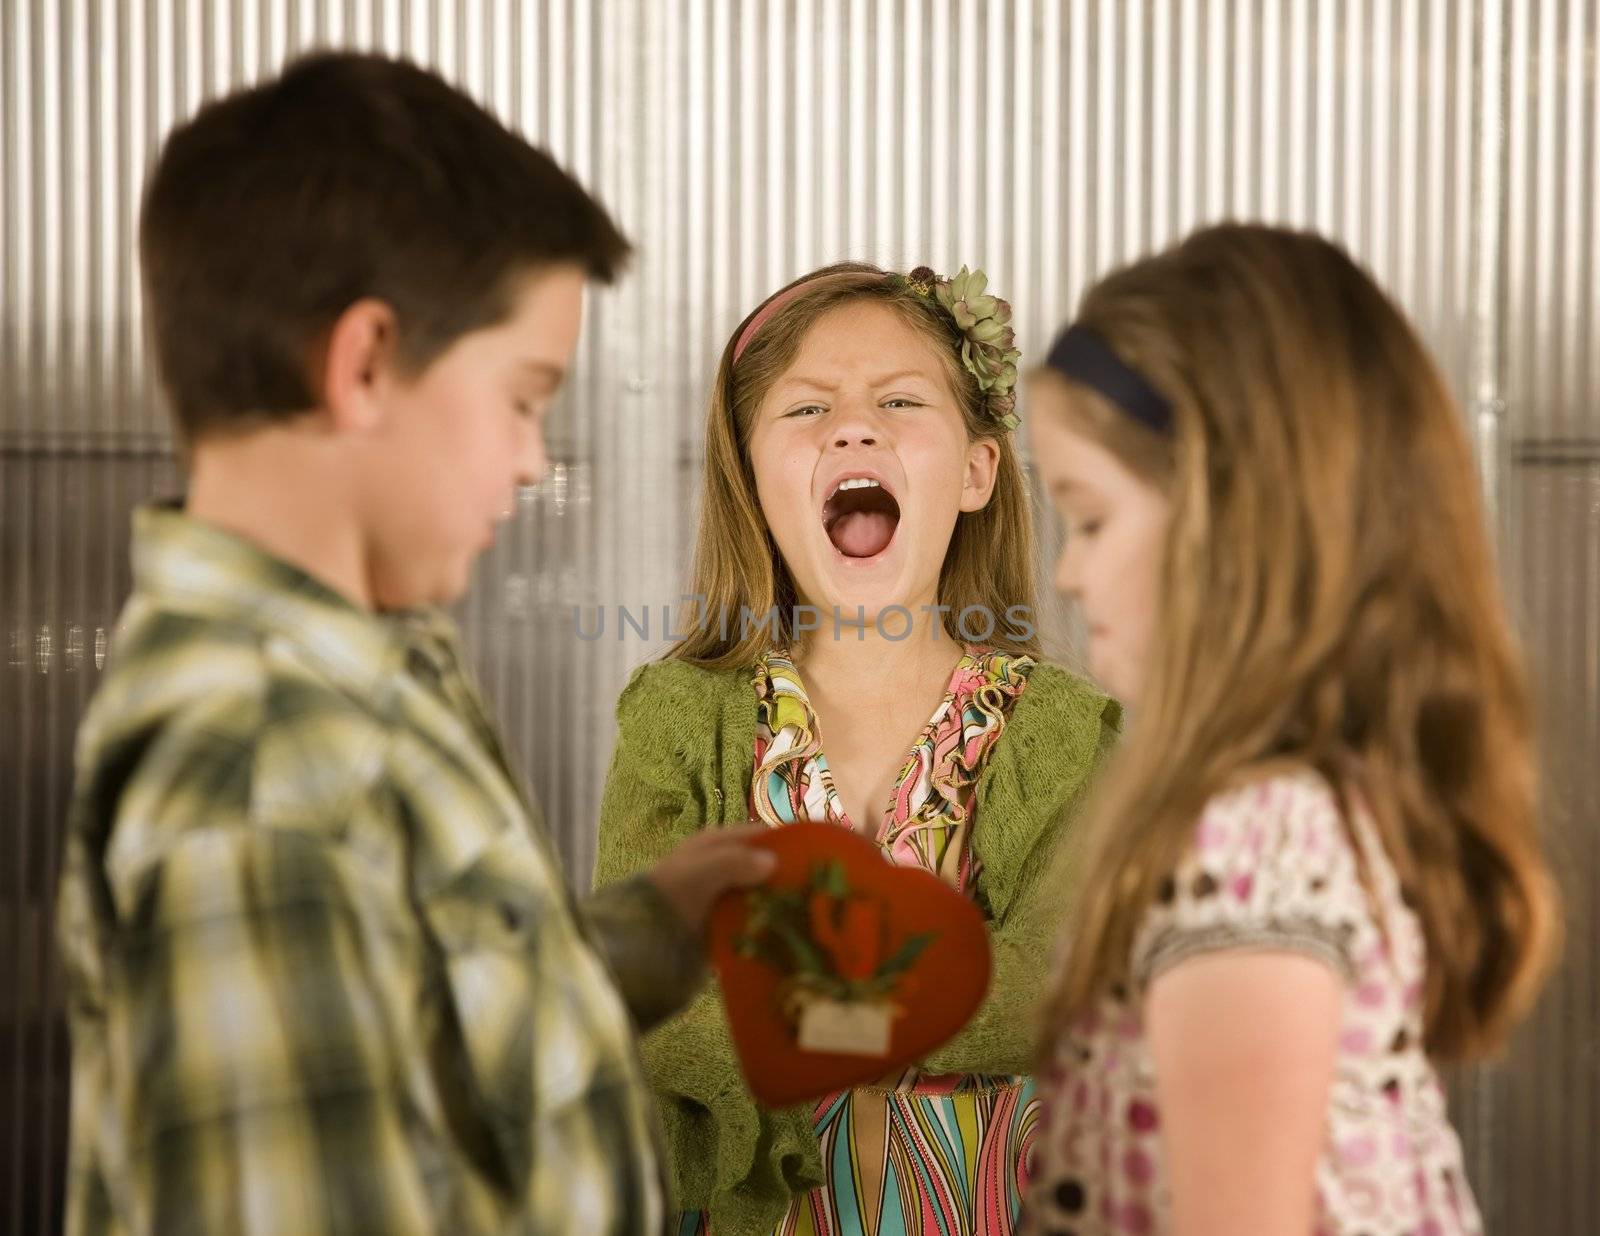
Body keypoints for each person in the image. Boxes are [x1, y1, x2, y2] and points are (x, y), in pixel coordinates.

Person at [55, 51, 772, 1236]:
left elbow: (428, 1019)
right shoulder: (261, 784)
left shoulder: (370, 660)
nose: (535, 458)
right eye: (524, 398)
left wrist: (662, 924)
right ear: (367, 364)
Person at [1023, 223, 1559, 1236]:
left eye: (1089, 520)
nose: (1066, 574)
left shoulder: (1251, 842)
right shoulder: (1300, 815)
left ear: (1230, 524)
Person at [594, 262, 1120, 1234]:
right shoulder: (676, 717)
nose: (853, 426)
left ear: (974, 472)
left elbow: (1050, 996)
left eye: (900, 400)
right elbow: (647, 992)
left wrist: (791, 1019)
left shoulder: (1063, 728)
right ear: (752, 481)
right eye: (806, 410)